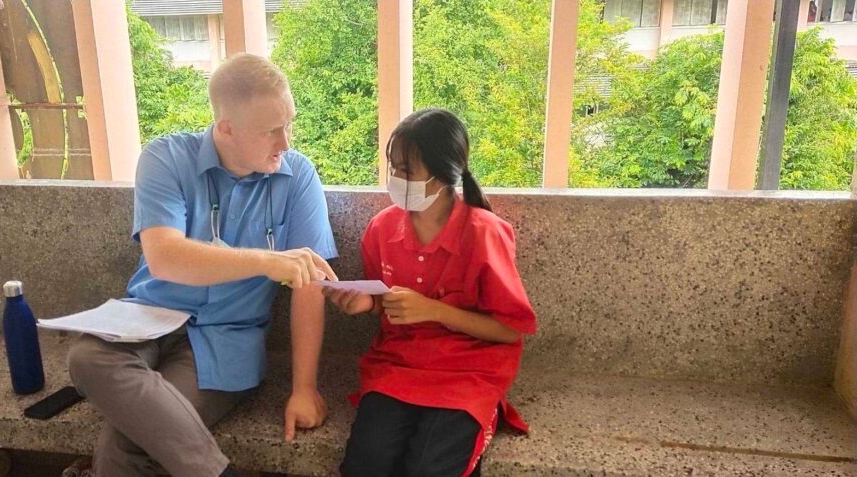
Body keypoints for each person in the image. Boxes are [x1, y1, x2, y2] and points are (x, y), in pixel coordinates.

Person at [67, 53, 339, 477]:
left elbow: (310, 284)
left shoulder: (298, 176)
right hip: (148, 317)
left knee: (126, 445)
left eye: (289, 124)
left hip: (225, 341)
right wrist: (266, 261)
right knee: (86, 356)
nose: (285, 142)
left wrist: (304, 388)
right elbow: (165, 257)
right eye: (271, 130)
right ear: (226, 128)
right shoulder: (166, 158)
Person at [326, 108, 537, 477]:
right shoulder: (381, 229)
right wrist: (364, 304)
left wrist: (434, 310)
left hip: (468, 372)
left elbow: (508, 329)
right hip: (398, 366)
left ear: (442, 175)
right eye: (393, 167)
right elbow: (383, 302)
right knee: (366, 462)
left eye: (406, 171)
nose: (395, 178)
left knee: (429, 465)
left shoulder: (485, 233)